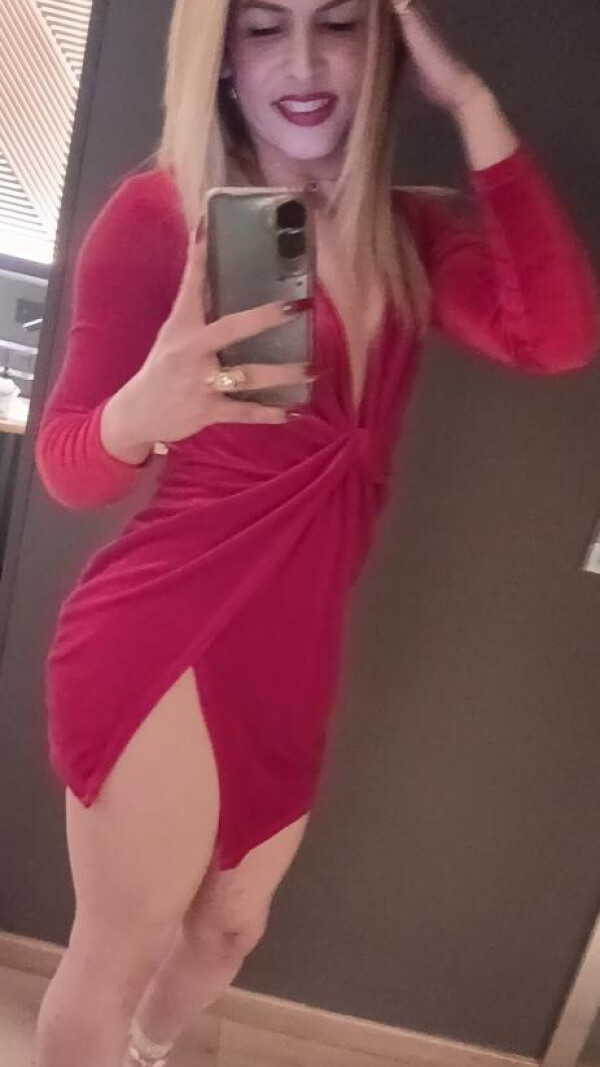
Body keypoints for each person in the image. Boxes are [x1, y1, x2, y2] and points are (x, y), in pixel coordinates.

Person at [33, 1, 598, 1065]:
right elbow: (67, 463)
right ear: (220, 57)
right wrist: (139, 414)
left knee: (230, 927)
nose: (302, 62)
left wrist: (471, 102)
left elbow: (556, 336)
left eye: (338, 23)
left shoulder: (404, 233)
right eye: (263, 28)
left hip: (294, 653)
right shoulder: (162, 213)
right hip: (170, 633)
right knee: (117, 950)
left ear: (381, 44)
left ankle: (148, 1057)